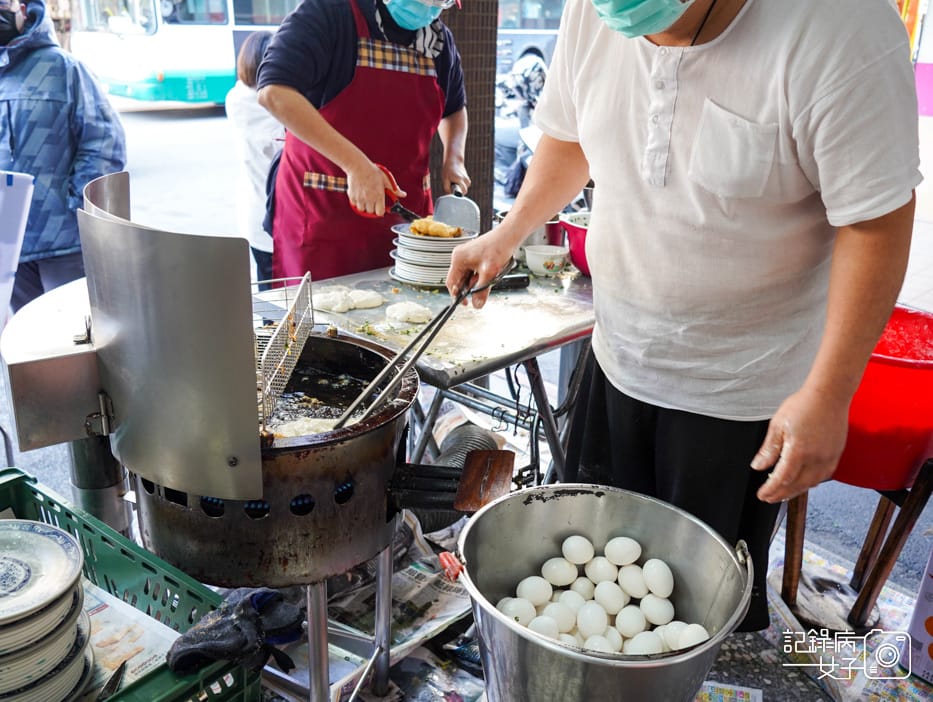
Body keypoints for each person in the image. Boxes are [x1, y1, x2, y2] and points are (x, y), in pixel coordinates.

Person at [447, 0, 920, 631]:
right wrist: (506, 236)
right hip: (616, 358)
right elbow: (571, 138)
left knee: (696, 616)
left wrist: (830, 393)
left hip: (739, 397)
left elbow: (877, 221)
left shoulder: (839, 25)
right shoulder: (599, 11)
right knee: (587, 587)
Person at [256, 0, 470, 282]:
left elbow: (454, 109)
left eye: (441, 1)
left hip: (405, 219)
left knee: (404, 316)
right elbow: (274, 92)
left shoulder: (437, 41)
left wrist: (453, 159)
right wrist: (355, 164)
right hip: (323, 215)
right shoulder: (329, 13)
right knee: (319, 320)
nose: (431, 7)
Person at [0, 0, 127, 312]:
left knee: (73, 337)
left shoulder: (64, 69)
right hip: (7, 245)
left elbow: (104, 144)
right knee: (27, 344)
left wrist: (74, 208)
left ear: (24, 8)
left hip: (64, 245)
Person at [225, 30, 284, 287]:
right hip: (273, 220)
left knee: (269, 293)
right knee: (284, 298)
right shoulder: (275, 108)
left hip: (253, 214)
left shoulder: (235, 97)